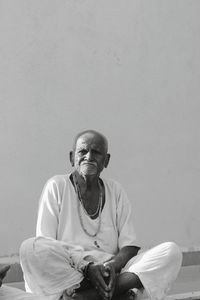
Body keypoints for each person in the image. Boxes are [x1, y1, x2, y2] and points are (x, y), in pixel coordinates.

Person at [20, 130, 182, 300]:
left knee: (171, 252)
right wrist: (88, 267)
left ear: (106, 160)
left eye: (96, 152)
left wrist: (111, 266)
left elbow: (129, 246)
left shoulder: (115, 190)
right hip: (72, 273)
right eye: (82, 151)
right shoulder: (56, 186)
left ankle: (89, 296)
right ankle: (117, 293)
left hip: (112, 272)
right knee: (30, 247)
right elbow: (45, 243)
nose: (89, 157)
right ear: (71, 157)